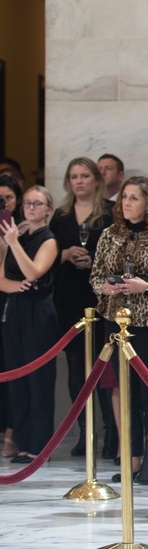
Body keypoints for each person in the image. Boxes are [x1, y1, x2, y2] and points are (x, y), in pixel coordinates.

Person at [90, 177, 148, 478]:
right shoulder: (110, 234)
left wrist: (147, 287)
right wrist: (105, 287)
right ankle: (133, 457)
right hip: (117, 319)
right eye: (124, 197)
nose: (127, 203)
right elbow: (95, 276)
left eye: (134, 198)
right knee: (124, 391)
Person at [48, 157, 114, 458]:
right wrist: (63, 254)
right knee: (76, 368)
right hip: (69, 295)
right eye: (73, 176)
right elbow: (45, 255)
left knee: (104, 366)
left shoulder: (110, 214)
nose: (79, 181)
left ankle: (110, 431)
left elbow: (116, 254)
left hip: (99, 297)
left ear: (96, 180)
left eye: (85, 175)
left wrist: (94, 263)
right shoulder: (61, 216)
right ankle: (84, 431)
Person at [0, 185, 60, 464]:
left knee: (39, 379)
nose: (30, 208)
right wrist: (14, 286)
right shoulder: (18, 236)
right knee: (16, 377)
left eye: (37, 204)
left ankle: (40, 445)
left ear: (48, 209)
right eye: (27, 203)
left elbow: (33, 272)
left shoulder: (48, 240)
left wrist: (12, 243)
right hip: (14, 310)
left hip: (39, 312)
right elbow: (3, 279)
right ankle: (23, 442)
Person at [0, 175, 23, 458]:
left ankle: (11, 434)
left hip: (11, 304)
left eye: (8, 198)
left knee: (12, 367)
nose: (3, 203)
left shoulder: (22, 230)